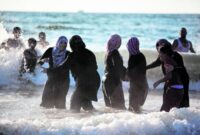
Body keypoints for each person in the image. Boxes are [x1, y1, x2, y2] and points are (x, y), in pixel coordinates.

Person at [146, 39, 190, 108]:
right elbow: (156, 63)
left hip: (181, 79)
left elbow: (181, 69)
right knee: (169, 99)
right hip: (170, 80)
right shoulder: (163, 54)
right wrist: (146, 67)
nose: (159, 53)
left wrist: (174, 68)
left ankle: (180, 115)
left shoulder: (175, 56)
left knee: (182, 101)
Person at [62, 35, 100, 112]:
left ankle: (74, 123)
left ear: (71, 45)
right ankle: (101, 119)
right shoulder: (90, 53)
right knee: (86, 104)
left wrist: (49, 70)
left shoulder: (72, 55)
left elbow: (63, 68)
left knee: (74, 105)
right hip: (95, 81)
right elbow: (95, 67)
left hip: (83, 83)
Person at [38, 36, 70, 109]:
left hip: (63, 81)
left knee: (60, 105)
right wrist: (42, 61)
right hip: (51, 79)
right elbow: (40, 62)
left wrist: (48, 70)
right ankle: (49, 120)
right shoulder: (50, 50)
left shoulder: (68, 54)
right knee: (46, 103)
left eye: (65, 43)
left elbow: (64, 68)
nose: (63, 44)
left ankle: (61, 119)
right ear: (58, 42)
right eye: (61, 42)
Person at [153, 46, 184, 112]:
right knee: (173, 112)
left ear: (165, 53)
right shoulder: (172, 60)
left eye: (160, 53)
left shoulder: (167, 61)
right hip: (180, 90)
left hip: (173, 90)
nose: (159, 55)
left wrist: (158, 82)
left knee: (163, 112)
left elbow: (169, 76)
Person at [102, 34, 126, 109]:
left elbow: (110, 68)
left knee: (110, 108)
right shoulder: (115, 53)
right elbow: (119, 68)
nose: (120, 44)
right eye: (120, 42)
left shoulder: (107, 52)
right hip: (114, 83)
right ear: (117, 43)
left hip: (105, 81)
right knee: (120, 108)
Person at [126, 37, 148, 113]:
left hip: (135, 85)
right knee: (136, 108)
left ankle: (135, 124)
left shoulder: (133, 57)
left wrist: (126, 76)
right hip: (142, 83)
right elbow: (142, 71)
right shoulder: (141, 55)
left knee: (133, 108)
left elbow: (132, 72)